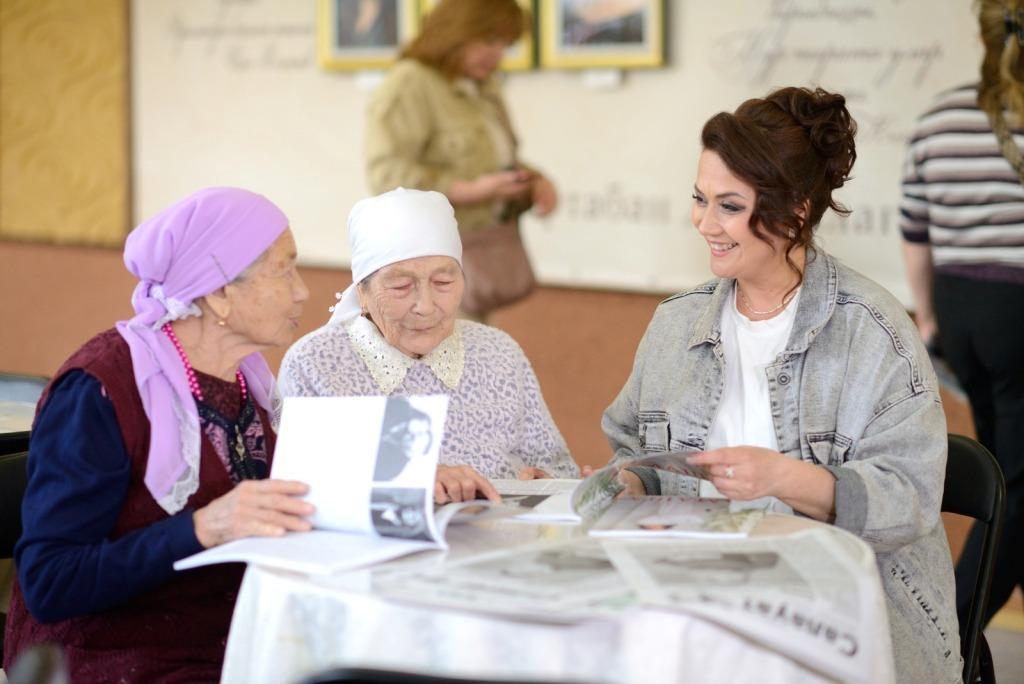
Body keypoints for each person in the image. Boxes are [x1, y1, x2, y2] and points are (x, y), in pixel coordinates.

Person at [602, 87, 962, 684]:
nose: (705, 223)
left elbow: (910, 498)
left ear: (794, 211)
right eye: (700, 199)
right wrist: (629, 479)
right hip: (698, 599)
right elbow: (632, 448)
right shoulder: (675, 323)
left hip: (846, 616)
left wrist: (783, 478)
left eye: (729, 206)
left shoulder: (873, 331)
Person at [4, 188, 315, 682]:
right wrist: (201, 528)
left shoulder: (248, 380)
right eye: (284, 270)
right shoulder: (101, 391)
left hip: (233, 637)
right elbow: (50, 582)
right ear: (219, 292)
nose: (302, 292)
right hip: (117, 655)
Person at [278, 188, 578, 503]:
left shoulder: (498, 352)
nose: (425, 305)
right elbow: (295, 489)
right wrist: (410, 478)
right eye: (401, 286)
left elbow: (558, 467)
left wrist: (546, 483)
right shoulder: (315, 363)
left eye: (443, 283)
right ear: (362, 293)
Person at [900, 0, 1024, 630]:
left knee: (1006, 465)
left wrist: (928, 317)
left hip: (960, 311)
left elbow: (914, 228)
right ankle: (949, 634)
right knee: (1019, 483)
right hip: (1018, 309)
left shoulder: (939, 117)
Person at [364, 0, 557, 316]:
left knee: (471, 343)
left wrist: (533, 181)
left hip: (473, 260)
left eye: (505, 45)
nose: (498, 54)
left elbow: (496, 159)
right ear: (455, 33)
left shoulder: (483, 86)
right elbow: (385, 174)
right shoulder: (411, 82)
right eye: (490, 40)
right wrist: (468, 191)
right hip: (426, 268)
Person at [373, 395, 435, 480]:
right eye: (419, 433)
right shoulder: (401, 410)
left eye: (413, 439)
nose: (413, 436)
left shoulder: (393, 468)